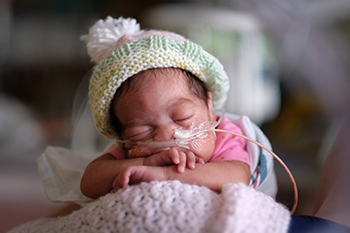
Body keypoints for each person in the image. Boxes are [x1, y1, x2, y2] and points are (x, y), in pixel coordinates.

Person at [79, 16, 277, 199]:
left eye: (182, 118)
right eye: (140, 131)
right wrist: (143, 164)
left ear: (209, 108)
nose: (165, 136)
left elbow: (236, 177)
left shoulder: (225, 134)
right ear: (123, 136)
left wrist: (164, 174)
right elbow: (88, 182)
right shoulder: (132, 151)